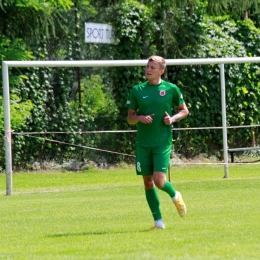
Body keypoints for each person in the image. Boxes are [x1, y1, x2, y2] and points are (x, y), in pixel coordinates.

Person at [126, 55, 189, 229]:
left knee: (159, 181)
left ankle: (175, 195)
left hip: (162, 142)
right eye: (148, 66)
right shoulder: (137, 90)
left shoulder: (171, 89)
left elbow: (184, 111)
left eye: (153, 67)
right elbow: (130, 118)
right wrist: (139, 117)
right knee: (147, 182)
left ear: (161, 71)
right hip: (143, 143)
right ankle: (159, 223)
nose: (148, 70)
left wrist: (173, 118)